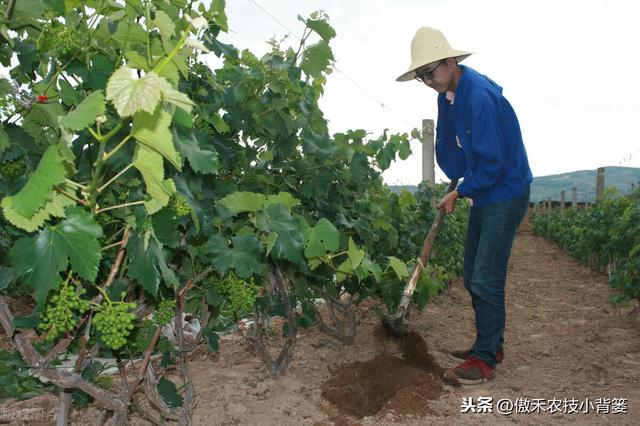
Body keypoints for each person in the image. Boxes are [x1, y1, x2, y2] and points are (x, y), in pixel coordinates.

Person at [396, 27, 533, 385]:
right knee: (472, 274)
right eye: (421, 75)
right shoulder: (449, 95)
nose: (427, 80)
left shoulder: (480, 98)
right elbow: (452, 151)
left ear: (452, 61)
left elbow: (493, 163)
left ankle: (485, 360)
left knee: (486, 279)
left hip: (504, 191)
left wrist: (461, 191)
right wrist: (457, 177)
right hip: (484, 191)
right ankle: (489, 344)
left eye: (431, 71)